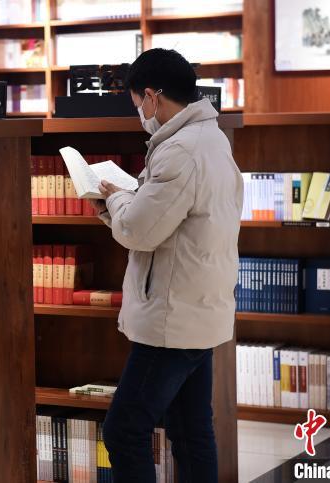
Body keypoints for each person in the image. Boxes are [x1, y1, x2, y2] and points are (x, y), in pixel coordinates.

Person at [94, 48, 243, 483]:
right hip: (200, 307)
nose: (139, 114)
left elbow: (139, 231)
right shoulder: (212, 139)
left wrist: (116, 199)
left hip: (171, 318)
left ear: (152, 97)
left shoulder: (179, 150)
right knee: (191, 432)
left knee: (124, 430)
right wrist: (123, 205)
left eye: (137, 104)